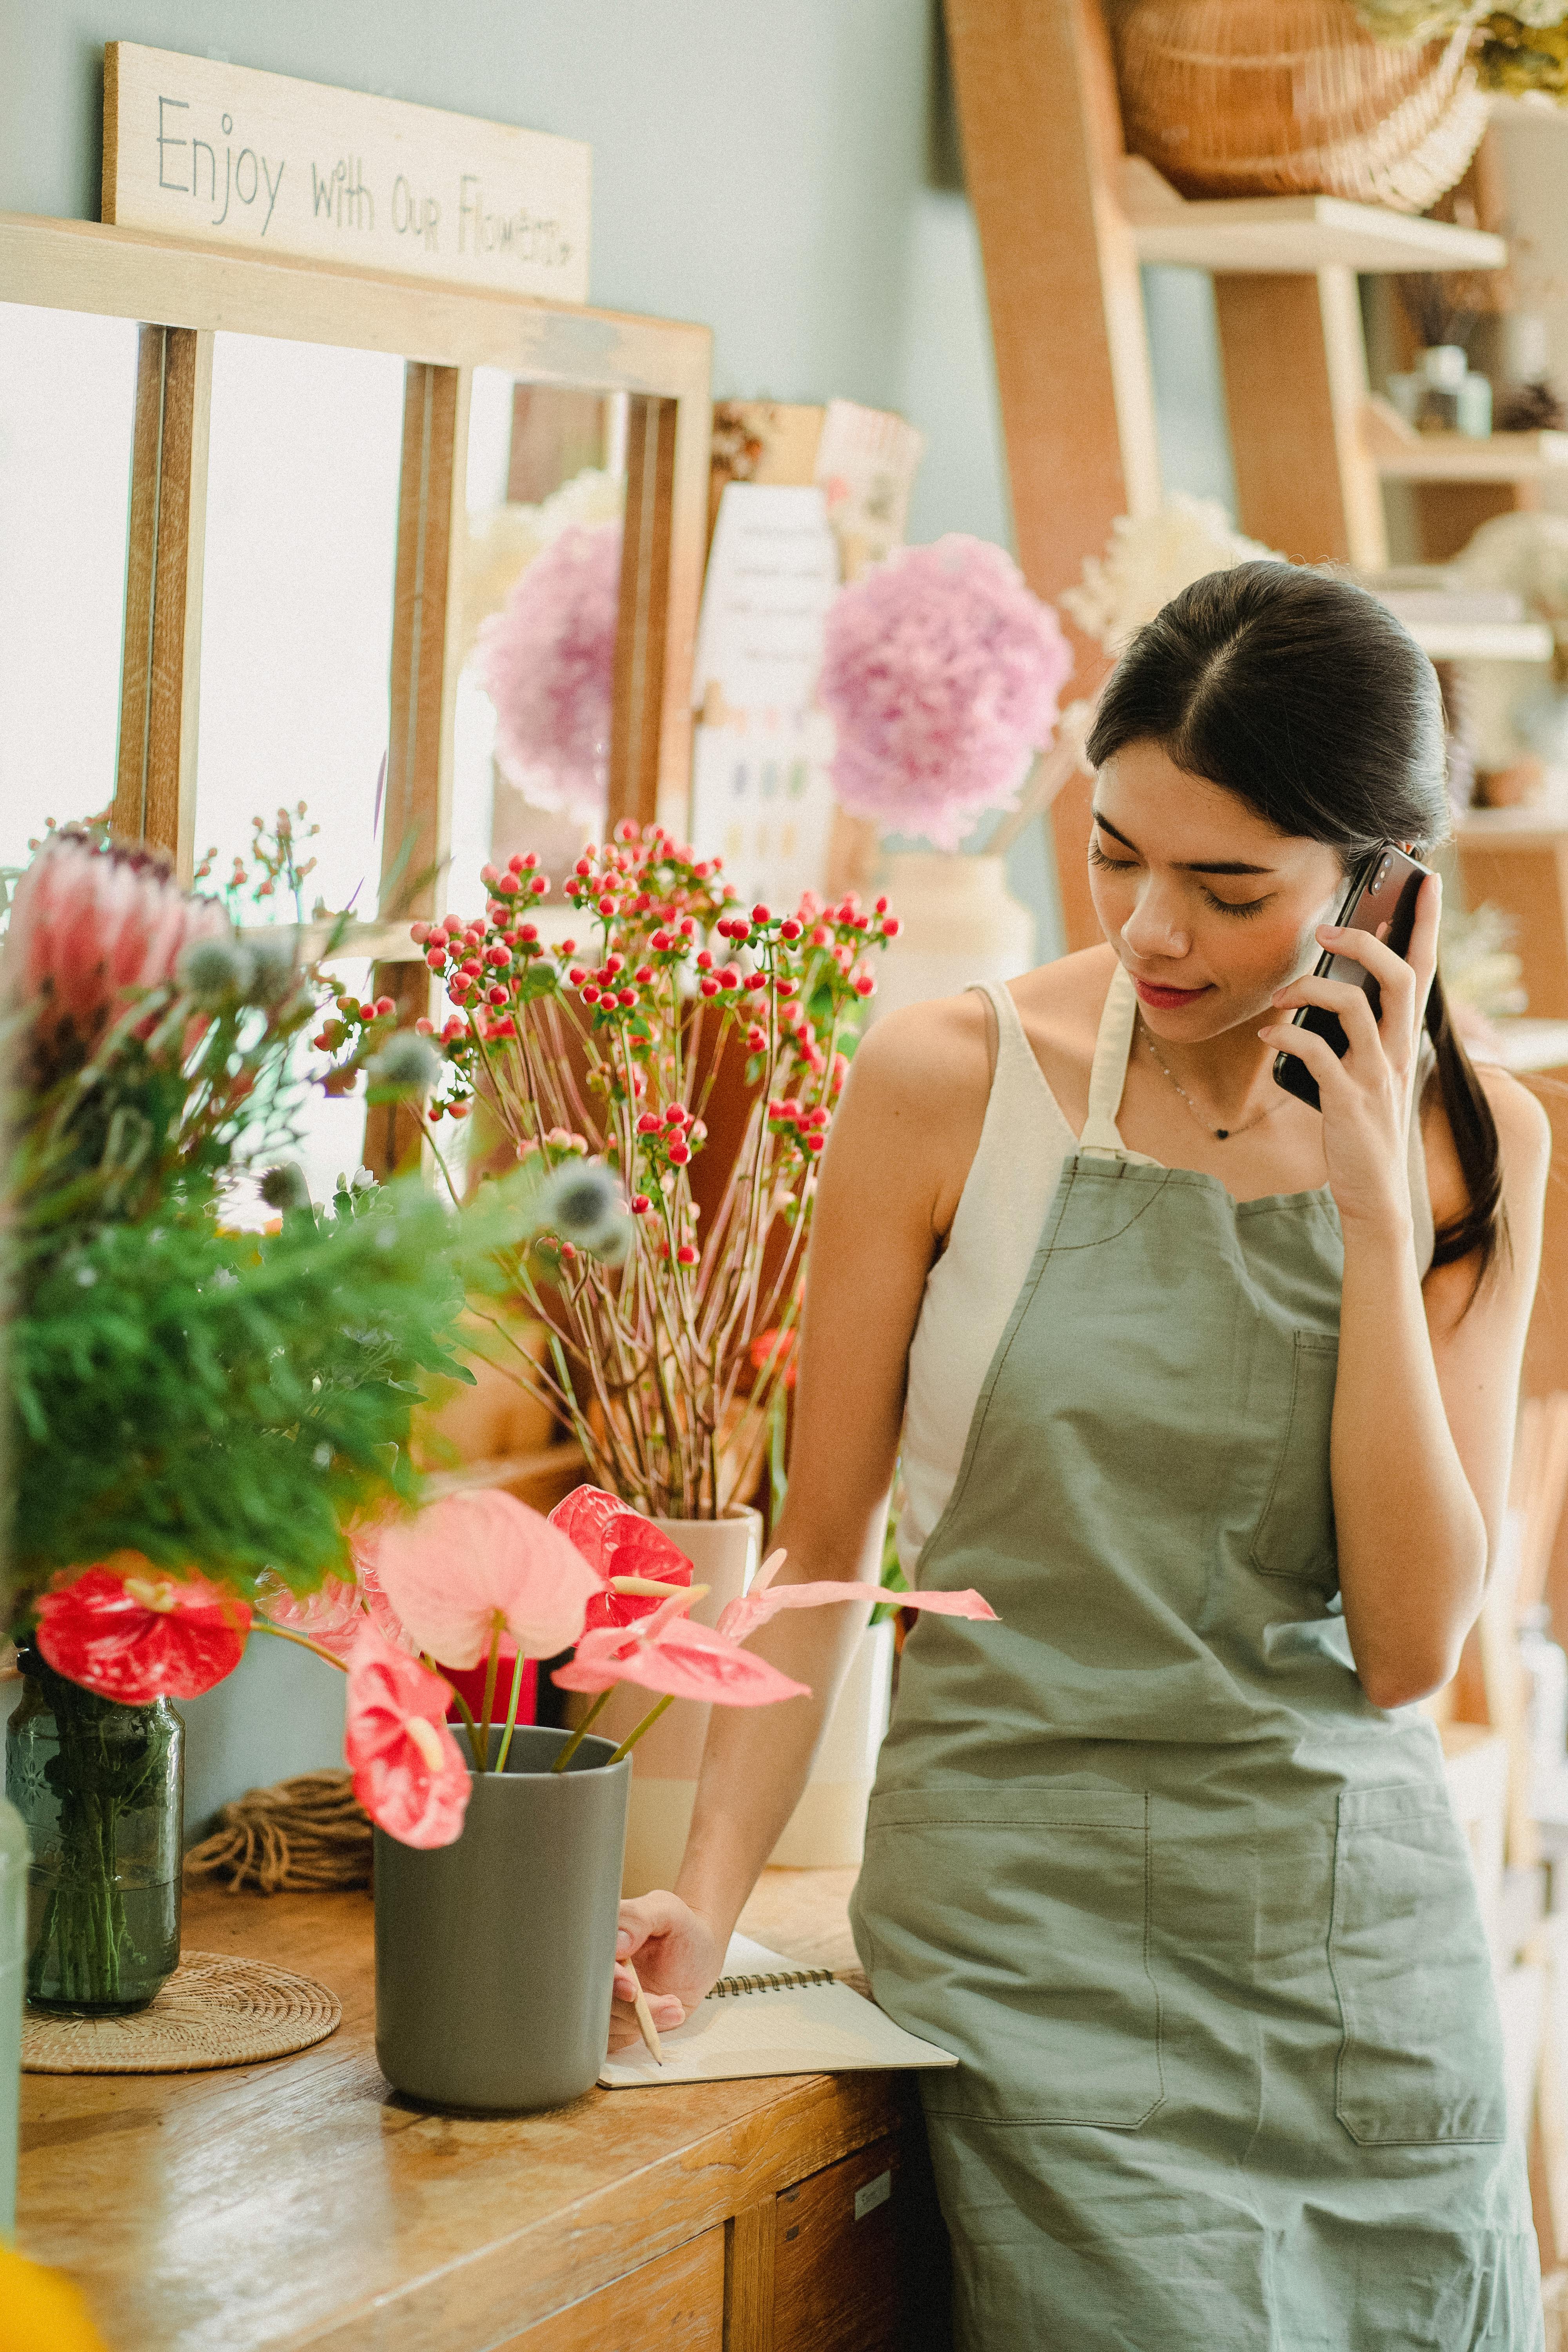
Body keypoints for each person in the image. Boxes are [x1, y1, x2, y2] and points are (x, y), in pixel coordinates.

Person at [612, 563, 1552, 2348]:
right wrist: (706, 1903)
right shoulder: (948, 1077)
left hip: (1356, 1961)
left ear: (1383, 888)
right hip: (1024, 1941)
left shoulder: (1467, 1150)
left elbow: (1410, 1648)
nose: (1153, 935)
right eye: (1116, 853)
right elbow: (821, 1550)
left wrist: (1367, 1224)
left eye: (1229, 888)